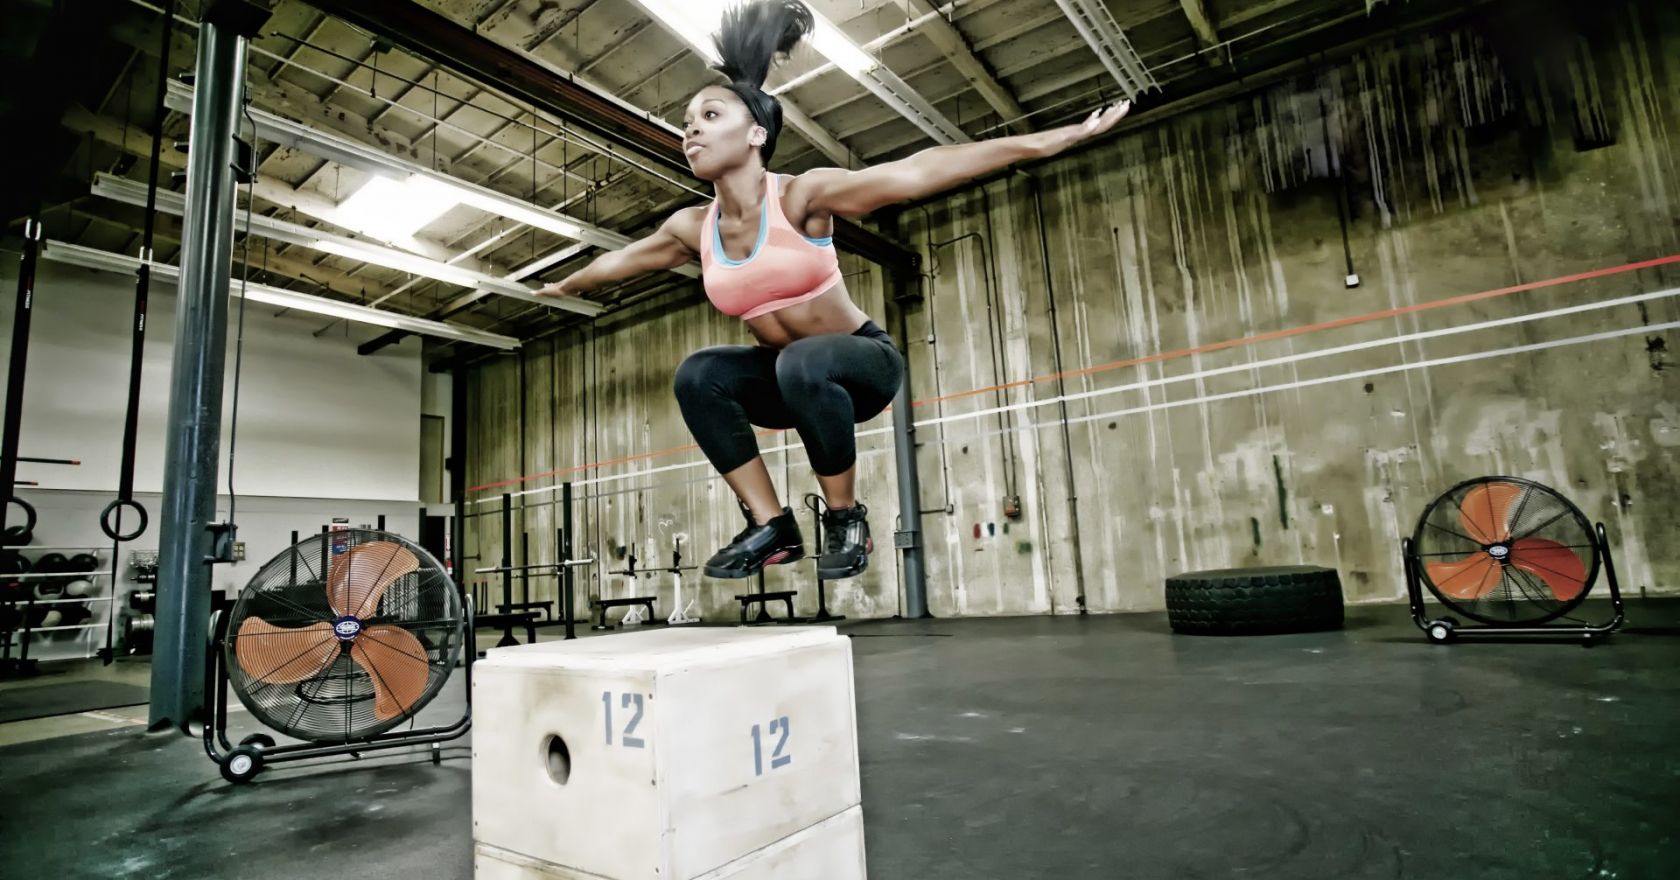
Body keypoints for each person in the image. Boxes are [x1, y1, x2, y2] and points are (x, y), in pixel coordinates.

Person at [537, 0, 1129, 580]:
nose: (691, 127)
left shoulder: (801, 197)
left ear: (756, 133)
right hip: (788, 382)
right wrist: (566, 281)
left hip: (860, 366)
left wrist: (1045, 142)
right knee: (699, 373)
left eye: (711, 115)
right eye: (687, 121)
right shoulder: (693, 228)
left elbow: (919, 169)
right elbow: (620, 263)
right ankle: (770, 525)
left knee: (803, 359)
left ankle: (845, 518)